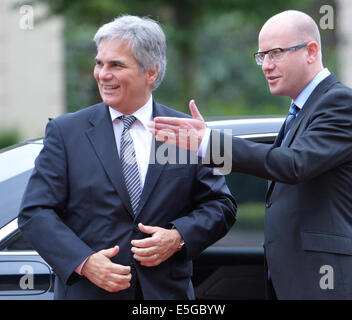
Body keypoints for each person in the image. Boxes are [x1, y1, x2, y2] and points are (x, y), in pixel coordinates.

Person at [149, 10, 352, 299]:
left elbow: (292, 165)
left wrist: (210, 142)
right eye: (262, 56)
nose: (266, 66)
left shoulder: (340, 103)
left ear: (311, 51)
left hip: (333, 282)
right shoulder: (302, 111)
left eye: (275, 53)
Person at [18, 15, 236, 300]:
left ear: (151, 73)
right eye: (99, 63)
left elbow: (224, 205)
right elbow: (34, 213)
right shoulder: (64, 131)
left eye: (116, 65)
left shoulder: (190, 130)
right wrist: (84, 262)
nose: (102, 74)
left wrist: (178, 237)